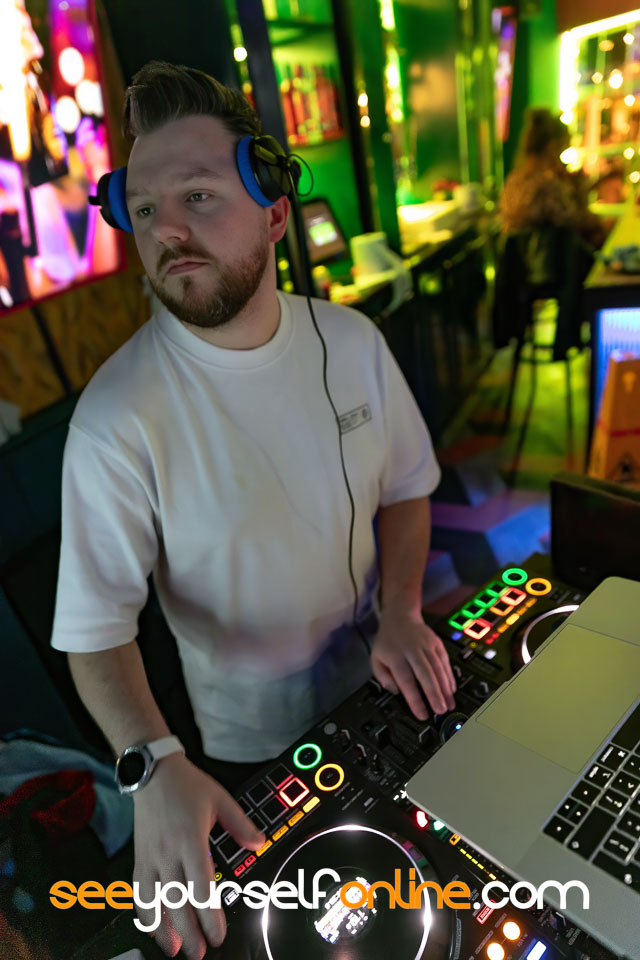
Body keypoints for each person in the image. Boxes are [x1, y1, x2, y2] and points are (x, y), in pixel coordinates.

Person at [50, 61, 456, 960]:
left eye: (198, 197)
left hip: (389, 685)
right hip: (249, 752)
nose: (168, 232)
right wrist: (152, 763)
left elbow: (405, 489)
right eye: (145, 209)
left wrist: (400, 609)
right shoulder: (115, 419)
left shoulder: (352, 341)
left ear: (275, 211)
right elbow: (93, 631)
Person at [500, 106, 605, 251]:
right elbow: (579, 222)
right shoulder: (547, 186)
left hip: (515, 264)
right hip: (546, 262)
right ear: (552, 148)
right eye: (562, 149)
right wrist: (579, 189)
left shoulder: (513, 180)